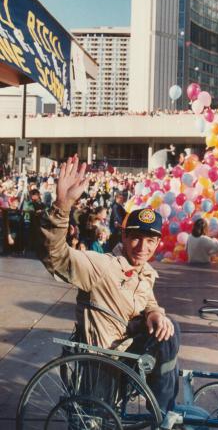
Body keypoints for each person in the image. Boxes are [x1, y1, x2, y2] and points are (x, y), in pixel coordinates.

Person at [39, 156, 180, 413]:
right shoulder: (102, 266)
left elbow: (147, 300)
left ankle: (164, 407)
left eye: (150, 241)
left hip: (129, 353)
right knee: (172, 334)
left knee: (169, 328)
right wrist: (63, 204)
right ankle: (163, 413)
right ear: (124, 236)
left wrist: (155, 314)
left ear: (158, 243)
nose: (142, 247)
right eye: (136, 238)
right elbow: (56, 256)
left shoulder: (145, 272)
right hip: (108, 359)